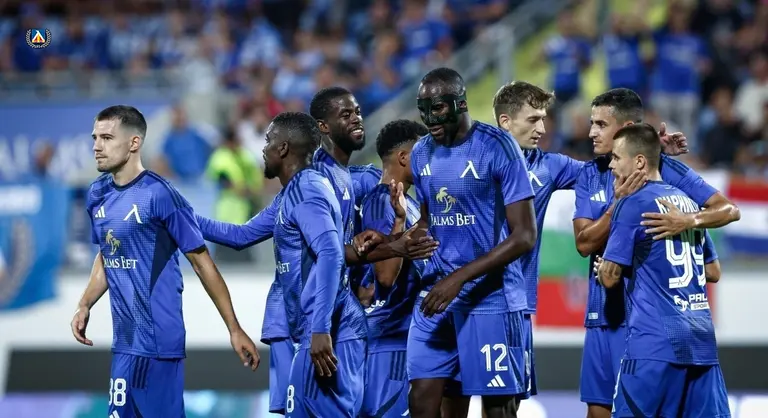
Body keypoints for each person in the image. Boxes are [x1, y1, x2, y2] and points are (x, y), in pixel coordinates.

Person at [72, 105, 259, 418]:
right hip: (124, 344)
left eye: (107, 138)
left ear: (134, 143)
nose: (97, 146)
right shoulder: (97, 194)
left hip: (159, 345)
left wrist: (234, 328)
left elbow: (203, 264)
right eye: (95, 138)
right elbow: (107, 254)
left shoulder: (160, 195)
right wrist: (84, 304)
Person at [572, 89, 740, 418]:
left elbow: (729, 209)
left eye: (601, 124)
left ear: (626, 130)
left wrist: (686, 222)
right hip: (617, 317)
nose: (591, 132)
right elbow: (584, 244)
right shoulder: (590, 174)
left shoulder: (667, 175)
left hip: (646, 328)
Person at [407, 67, 537, 418]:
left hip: (490, 299)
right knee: (421, 401)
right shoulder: (420, 153)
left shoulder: (498, 146)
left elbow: (525, 235)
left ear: (460, 103)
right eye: (423, 109)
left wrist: (459, 277)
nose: (429, 118)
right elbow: (429, 220)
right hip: (436, 297)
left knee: (497, 411)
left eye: (437, 108)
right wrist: (405, 239)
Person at [262, 111, 366, 417]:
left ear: (283, 148)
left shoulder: (307, 190)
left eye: (268, 140)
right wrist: (177, 214)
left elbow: (331, 254)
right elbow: (240, 235)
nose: (263, 148)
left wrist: (320, 329)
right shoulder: (292, 192)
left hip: (327, 328)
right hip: (315, 328)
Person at [492, 81, 584, 406]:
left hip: (516, 303)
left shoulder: (549, 166)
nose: (542, 129)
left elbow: (604, 173)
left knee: (506, 404)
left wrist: (658, 158)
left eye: (543, 119)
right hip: (468, 301)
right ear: (505, 122)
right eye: (533, 120)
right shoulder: (469, 163)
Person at [359, 120, 429, 418]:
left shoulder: (408, 203)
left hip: (405, 338)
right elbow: (385, 277)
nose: (430, 160)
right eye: (424, 152)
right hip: (388, 341)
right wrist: (400, 225)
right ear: (403, 157)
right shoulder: (380, 201)